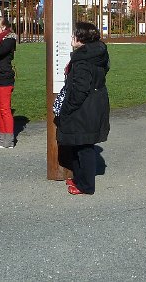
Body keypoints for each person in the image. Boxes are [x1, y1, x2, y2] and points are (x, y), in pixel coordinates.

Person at [57, 21, 111, 195]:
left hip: (85, 107)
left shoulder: (83, 60)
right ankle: (80, 180)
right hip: (93, 104)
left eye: (75, 35)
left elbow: (80, 89)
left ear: (81, 38)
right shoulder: (95, 54)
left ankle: (86, 185)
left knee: (83, 146)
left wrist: (67, 108)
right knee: (78, 143)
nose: (72, 37)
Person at [0, 16, 17, 148]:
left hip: (4, 78)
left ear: (3, 27)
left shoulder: (9, 40)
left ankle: (9, 139)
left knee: (5, 109)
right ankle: (2, 135)